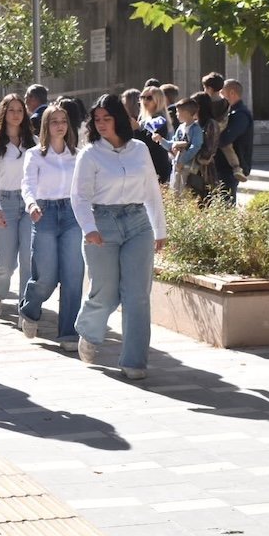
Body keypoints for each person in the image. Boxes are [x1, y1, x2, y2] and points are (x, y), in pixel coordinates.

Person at [71, 94, 166, 380]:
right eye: (97, 120)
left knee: (138, 295)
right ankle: (89, 331)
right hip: (102, 224)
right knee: (106, 292)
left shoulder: (139, 149)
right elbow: (79, 197)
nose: (101, 125)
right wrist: (90, 228)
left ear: (119, 119)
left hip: (138, 223)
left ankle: (135, 361)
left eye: (107, 119)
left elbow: (151, 189)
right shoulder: (89, 154)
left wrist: (160, 229)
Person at [18, 103, 84, 351]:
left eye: (63, 121)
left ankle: (68, 333)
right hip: (43, 213)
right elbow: (27, 184)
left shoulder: (77, 155)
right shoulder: (35, 155)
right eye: (54, 121)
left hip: (71, 215)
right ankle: (30, 308)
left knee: (73, 275)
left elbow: (84, 189)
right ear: (46, 125)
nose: (60, 125)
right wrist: (31, 205)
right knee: (45, 277)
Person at [0, 93, 36, 318]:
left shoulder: (33, 142)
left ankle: (25, 304)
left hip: (28, 203)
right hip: (4, 202)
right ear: (4, 113)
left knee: (27, 257)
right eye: (11, 110)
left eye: (20, 110)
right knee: (5, 260)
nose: (16, 115)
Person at [202, 72, 247, 183]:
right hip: (222, 126)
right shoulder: (225, 102)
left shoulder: (206, 102)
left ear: (209, 88)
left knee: (210, 145)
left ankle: (205, 159)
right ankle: (236, 168)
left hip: (212, 129)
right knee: (228, 149)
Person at [153, 97, 204, 194]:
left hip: (188, 167)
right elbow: (171, 144)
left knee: (185, 192)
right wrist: (161, 140)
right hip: (177, 164)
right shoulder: (181, 128)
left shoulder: (196, 129)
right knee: (175, 190)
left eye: (178, 112)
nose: (176, 114)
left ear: (186, 113)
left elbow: (195, 147)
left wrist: (183, 160)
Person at [217, 78, 254, 204]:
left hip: (231, 167)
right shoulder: (230, 112)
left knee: (226, 201)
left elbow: (227, 138)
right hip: (224, 165)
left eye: (222, 93)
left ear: (232, 93)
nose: (221, 97)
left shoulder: (240, 114)